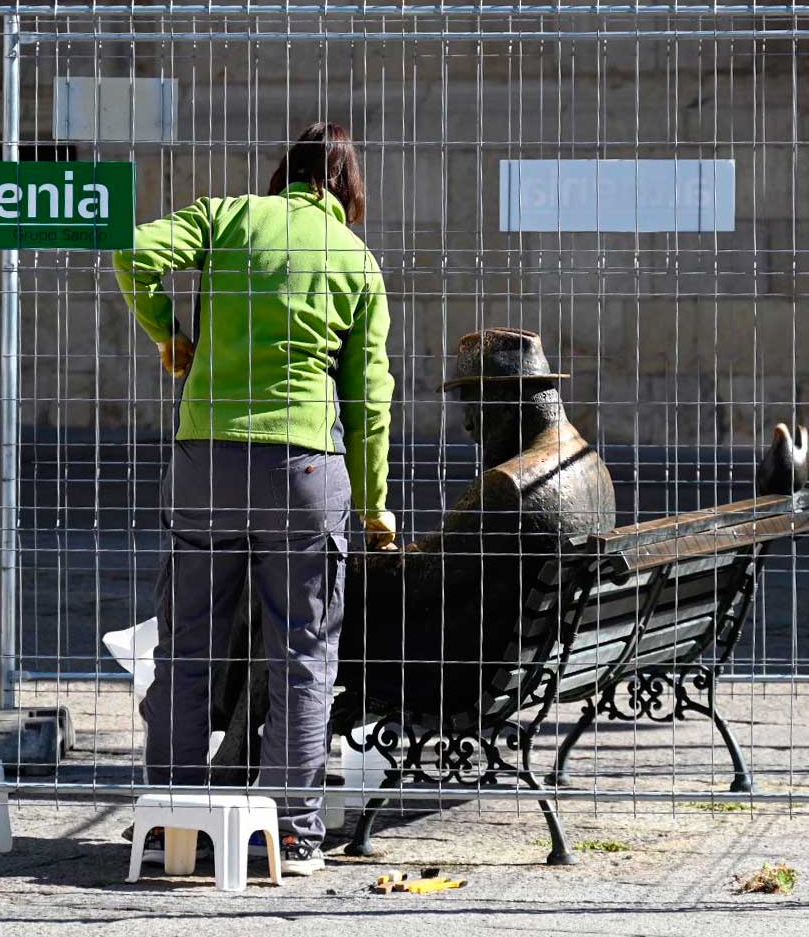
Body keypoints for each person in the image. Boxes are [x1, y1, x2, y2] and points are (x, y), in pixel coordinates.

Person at [113, 122, 396, 877]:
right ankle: (291, 835)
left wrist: (170, 335)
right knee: (303, 656)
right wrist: (373, 504)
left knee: (185, 649)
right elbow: (369, 397)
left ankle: (173, 828)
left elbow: (134, 249)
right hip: (305, 472)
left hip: (205, 460)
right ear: (346, 187)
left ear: (286, 172)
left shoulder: (229, 216)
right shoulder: (356, 260)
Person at [336, 328, 616, 720]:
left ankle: (245, 740)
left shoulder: (510, 485)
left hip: (457, 676)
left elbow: (416, 580)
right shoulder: (590, 463)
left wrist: (348, 564)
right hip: (531, 662)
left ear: (502, 397)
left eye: (470, 401)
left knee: (298, 596)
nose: (467, 423)